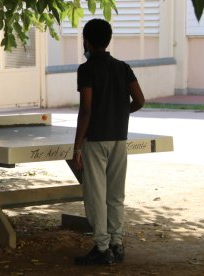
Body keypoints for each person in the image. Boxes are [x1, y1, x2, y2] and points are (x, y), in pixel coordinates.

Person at [72, 19, 145, 265]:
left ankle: (102, 248)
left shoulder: (87, 69)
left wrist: (77, 145)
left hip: (95, 140)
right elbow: (140, 100)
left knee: (96, 195)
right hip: (119, 138)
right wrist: (120, 112)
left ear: (87, 41)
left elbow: (86, 110)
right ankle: (117, 243)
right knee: (115, 195)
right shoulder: (123, 67)